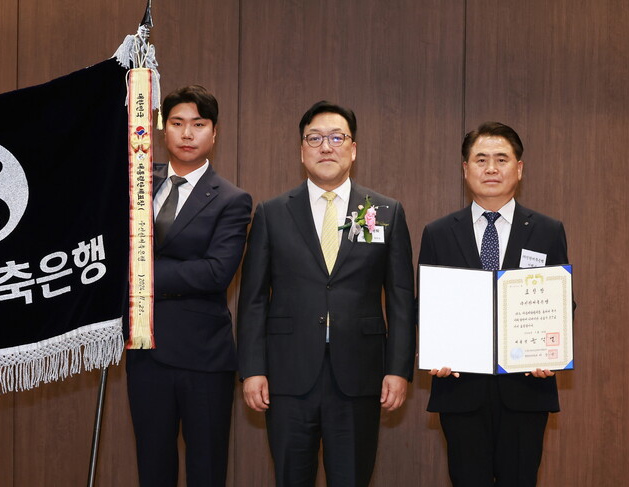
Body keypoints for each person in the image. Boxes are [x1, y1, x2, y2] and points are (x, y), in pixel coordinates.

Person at [237, 101, 416, 486]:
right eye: (314, 138)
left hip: (360, 375)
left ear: (353, 149)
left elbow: (401, 298)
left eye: (337, 138)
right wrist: (252, 369)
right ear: (302, 150)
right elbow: (252, 299)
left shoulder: (385, 211)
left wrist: (398, 370)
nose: (326, 147)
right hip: (287, 376)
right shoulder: (272, 213)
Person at [419, 122, 570, 487]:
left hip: (526, 388)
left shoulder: (548, 230)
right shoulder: (438, 233)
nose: (491, 168)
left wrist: (551, 352)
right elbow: (427, 304)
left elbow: (562, 302)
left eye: (501, 159)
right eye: (481, 159)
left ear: (519, 168)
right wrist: (433, 349)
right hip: (460, 389)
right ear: (465, 168)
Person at [126, 85, 252, 487]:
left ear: (214, 133)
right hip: (145, 352)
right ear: (163, 129)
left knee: (207, 471)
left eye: (198, 125)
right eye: (177, 123)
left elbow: (215, 273)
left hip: (204, 358)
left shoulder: (232, 199)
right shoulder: (137, 184)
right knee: (153, 469)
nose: (186, 134)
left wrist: (139, 275)